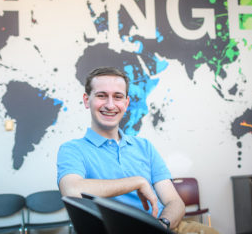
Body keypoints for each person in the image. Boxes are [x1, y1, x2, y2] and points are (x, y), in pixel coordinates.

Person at [57, 66, 219, 234]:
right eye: (101, 96)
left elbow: (175, 202)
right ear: (86, 100)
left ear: (126, 103)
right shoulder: (72, 149)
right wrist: (137, 182)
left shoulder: (145, 147)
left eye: (118, 97)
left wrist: (161, 225)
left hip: (163, 227)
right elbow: (72, 190)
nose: (110, 105)